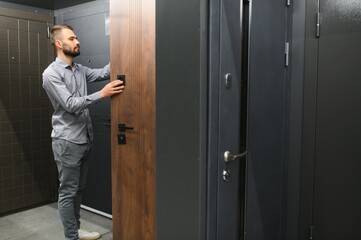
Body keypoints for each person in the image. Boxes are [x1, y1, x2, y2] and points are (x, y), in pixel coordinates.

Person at [42, 24, 123, 240]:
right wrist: (102, 94)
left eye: (77, 37)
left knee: (78, 189)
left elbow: (104, 72)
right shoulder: (50, 74)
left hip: (84, 139)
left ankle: (75, 230)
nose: (78, 41)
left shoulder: (79, 70)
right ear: (59, 43)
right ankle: (72, 237)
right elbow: (70, 104)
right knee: (68, 192)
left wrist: (122, 49)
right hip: (67, 141)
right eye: (72, 38)